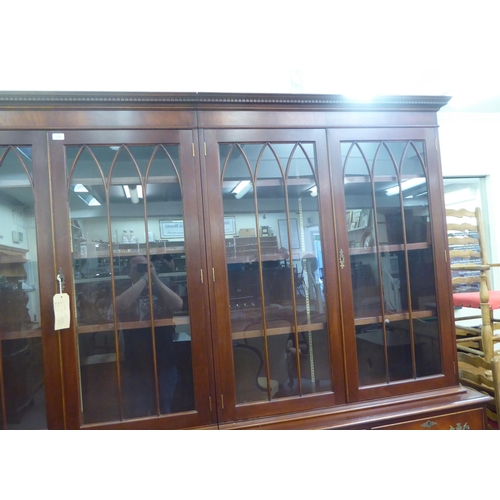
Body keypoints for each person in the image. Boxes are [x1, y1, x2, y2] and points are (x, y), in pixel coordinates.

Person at [115, 255, 183, 417]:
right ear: (128, 272)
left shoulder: (161, 288)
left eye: (146, 267)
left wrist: (155, 279)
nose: (142, 271)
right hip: (136, 362)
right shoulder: (123, 288)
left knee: (165, 409)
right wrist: (144, 280)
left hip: (165, 360)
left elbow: (178, 304)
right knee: (139, 411)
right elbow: (121, 305)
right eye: (138, 268)